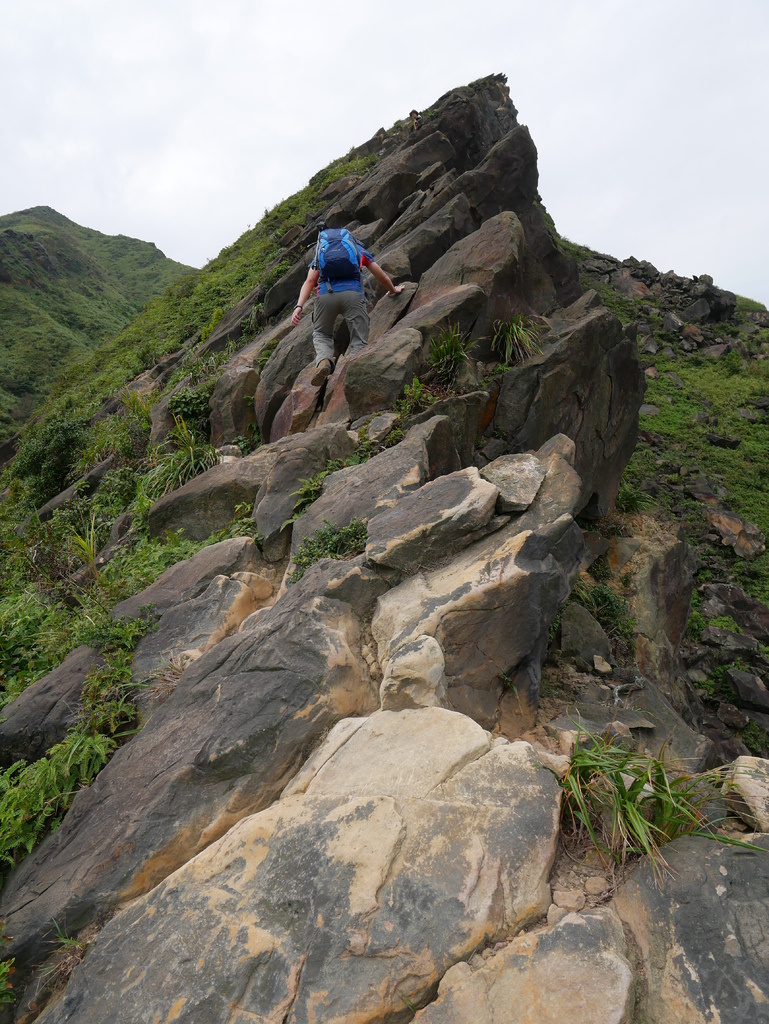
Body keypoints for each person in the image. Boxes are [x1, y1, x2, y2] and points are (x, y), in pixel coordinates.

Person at [291, 225, 405, 386]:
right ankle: (352, 372)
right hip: (352, 295)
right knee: (358, 338)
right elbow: (381, 276)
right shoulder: (358, 250)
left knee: (322, 334)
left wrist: (298, 306)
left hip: (325, 297)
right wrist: (393, 289)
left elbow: (310, 281)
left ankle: (324, 361)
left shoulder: (320, 254)